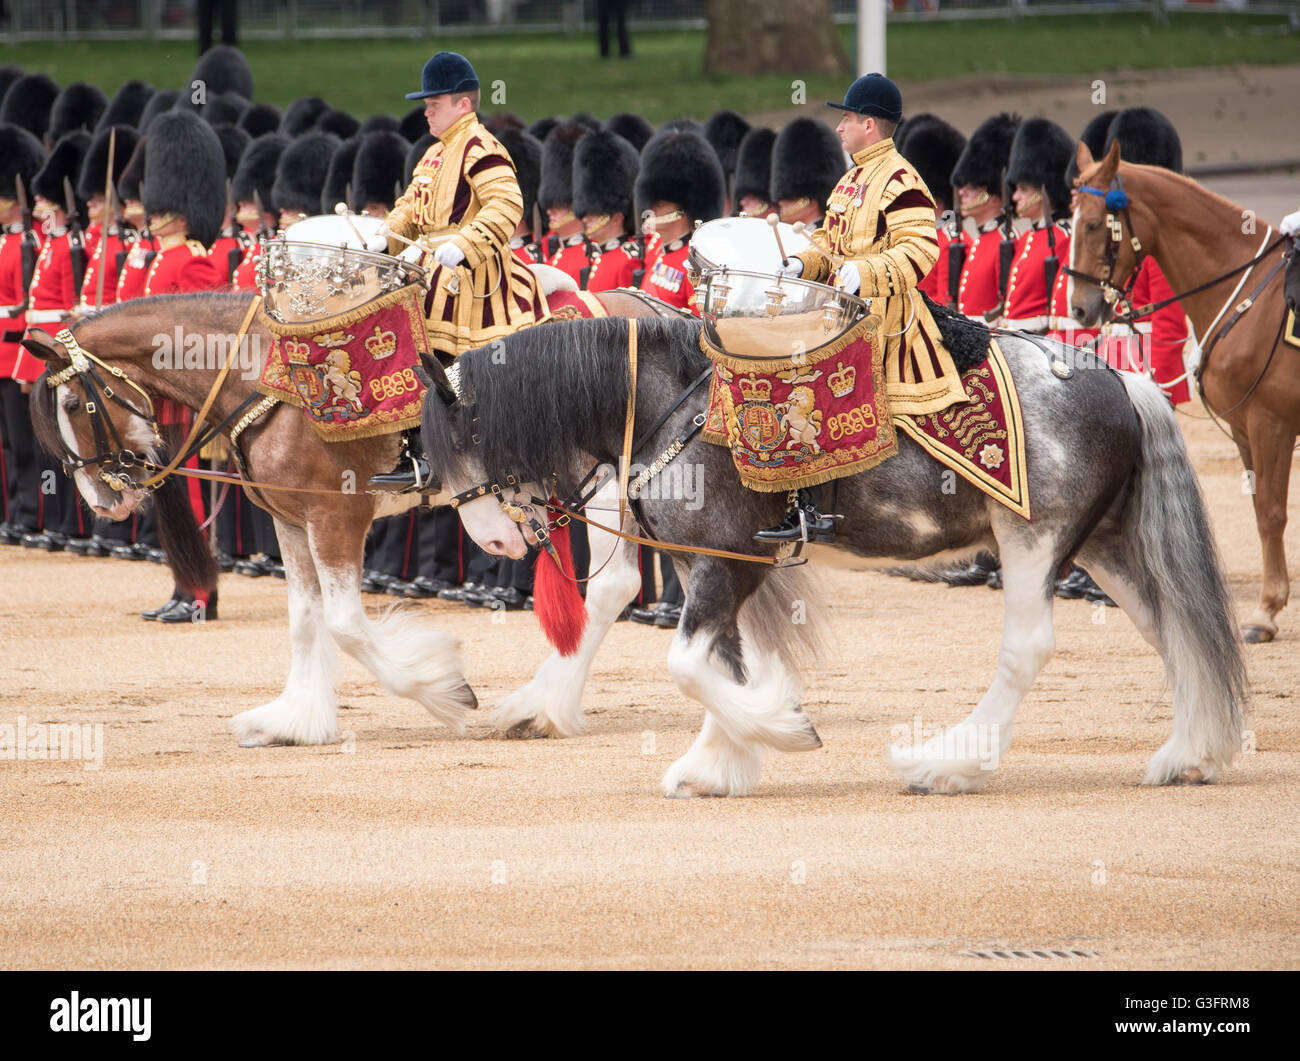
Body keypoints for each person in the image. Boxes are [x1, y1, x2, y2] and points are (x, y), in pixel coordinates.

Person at [754, 73, 968, 543]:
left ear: (869, 125)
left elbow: (921, 251)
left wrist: (864, 273)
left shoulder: (902, 179)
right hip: (842, 310)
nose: (839, 127)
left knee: (808, 381)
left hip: (886, 319)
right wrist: (802, 261)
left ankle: (815, 506)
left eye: (847, 118)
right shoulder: (850, 180)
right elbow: (828, 244)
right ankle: (799, 498)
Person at [369, 51, 548, 492]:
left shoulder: (481, 146)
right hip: (431, 265)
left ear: (463, 104)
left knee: (446, 355)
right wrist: (386, 236)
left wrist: (464, 245)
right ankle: (414, 449)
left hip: (472, 276)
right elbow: (410, 207)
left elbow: (507, 205)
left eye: (435, 102)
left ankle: (464, 447)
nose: (426, 110)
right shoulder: (433, 153)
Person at [949, 113, 1019, 322]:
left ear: (995, 198)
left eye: (972, 188)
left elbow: (1006, 308)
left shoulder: (1005, 240)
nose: (962, 193)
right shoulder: (982, 240)